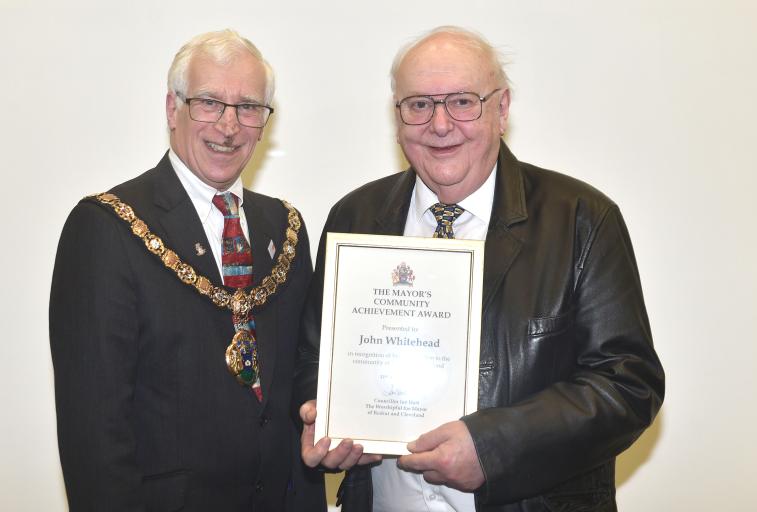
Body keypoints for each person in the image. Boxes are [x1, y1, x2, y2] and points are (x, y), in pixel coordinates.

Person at [295, 26, 664, 511]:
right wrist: (322, 416)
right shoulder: (355, 217)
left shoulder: (581, 219)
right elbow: (315, 360)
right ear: (398, 117)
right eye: (419, 105)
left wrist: (494, 448)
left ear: (502, 109)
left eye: (463, 101)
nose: (441, 124)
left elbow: (628, 384)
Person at [50, 29, 325, 511]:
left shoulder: (286, 228)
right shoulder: (106, 227)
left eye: (248, 108)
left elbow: (299, 374)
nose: (228, 126)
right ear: (172, 109)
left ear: (264, 124)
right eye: (209, 103)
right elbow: (95, 435)